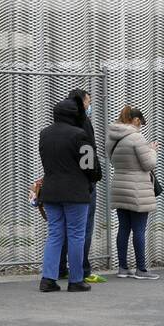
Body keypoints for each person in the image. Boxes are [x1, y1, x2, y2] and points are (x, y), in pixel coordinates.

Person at [39, 96, 96, 293]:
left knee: (55, 234)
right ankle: (76, 280)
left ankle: (48, 279)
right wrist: (96, 176)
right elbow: (89, 165)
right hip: (75, 192)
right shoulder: (79, 135)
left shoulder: (44, 134)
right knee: (76, 235)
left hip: (51, 191)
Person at [107, 105, 159, 280]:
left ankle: (122, 268)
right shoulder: (137, 138)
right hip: (137, 188)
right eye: (141, 123)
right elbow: (149, 164)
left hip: (120, 185)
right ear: (136, 120)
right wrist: (152, 150)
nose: (141, 126)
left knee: (123, 228)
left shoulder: (112, 137)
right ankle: (141, 269)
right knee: (138, 229)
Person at [58, 89, 105, 283]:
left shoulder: (54, 128)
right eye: (88, 102)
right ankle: (82, 270)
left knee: (59, 230)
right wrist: (94, 177)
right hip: (81, 185)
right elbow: (88, 156)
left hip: (59, 184)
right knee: (82, 229)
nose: (89, 106)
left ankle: (59, 269)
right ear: (82, 102)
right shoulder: (83, 125)